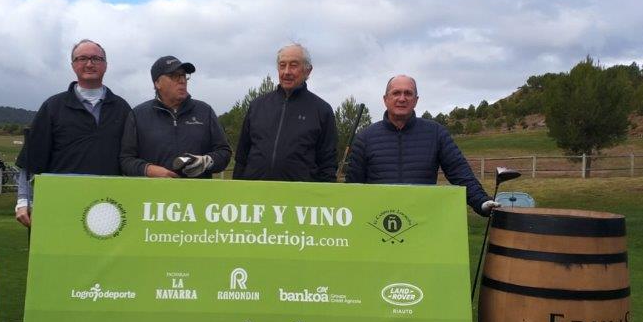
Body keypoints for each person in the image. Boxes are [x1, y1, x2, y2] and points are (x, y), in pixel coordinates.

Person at [14, 39, 132, 227]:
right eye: (82, 58)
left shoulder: (122, 108)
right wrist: (23, 201)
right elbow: (31, 159)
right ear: (73, 65)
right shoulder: (53, 107)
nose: (89, 64)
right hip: (61, 203)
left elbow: (131, 158)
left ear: (106, 65)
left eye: (96, 58)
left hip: (109, 206)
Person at [345, 75, 499, 216]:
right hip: (375, 221)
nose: (402, 98)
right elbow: (352, 189)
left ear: (416, 100)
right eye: (396, 93)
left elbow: (460, 173)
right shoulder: (365, 137)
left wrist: (481, 201)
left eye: (408, 93)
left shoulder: (436, 133)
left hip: (422, 221)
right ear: (385, 99)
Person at [233, 43, 337, 182]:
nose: (287, 72)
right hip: (256, 196)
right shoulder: (257, 106)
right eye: (282, 65)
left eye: (293, 65)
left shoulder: (322, 110)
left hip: (300, 198)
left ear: (308, 70)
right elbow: (241, 157)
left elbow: (328, 164)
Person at [120, 56, 231, 178]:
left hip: (198, 194)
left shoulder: (205, 111)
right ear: (157, 83)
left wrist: (207, 161)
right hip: (153, 194)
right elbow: (126, 160)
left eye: (184, 75)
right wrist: (148, 170)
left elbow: (224, 152)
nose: (182, 80)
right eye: (174, 76)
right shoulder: (138, 115)